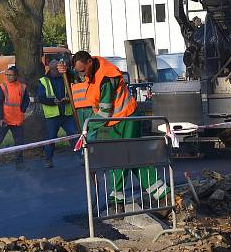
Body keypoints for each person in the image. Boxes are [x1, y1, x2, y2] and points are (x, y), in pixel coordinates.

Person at [67, 51, 166, 202]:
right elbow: (77, 77)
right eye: (78, 71)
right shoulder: (91, 71)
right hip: (116, 120)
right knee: (131, 156)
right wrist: (65, 71)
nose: (81, 74)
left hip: (127, 117)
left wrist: (89, 128)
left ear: (90, 62)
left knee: (121, 156)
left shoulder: (106, 77)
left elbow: (105, 111)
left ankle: (117, 196)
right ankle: (159, 191)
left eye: (82, 70)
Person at [0, 65, 29, 172]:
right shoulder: (2, 86)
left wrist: (22, 110)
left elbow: (26, 100)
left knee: (19, 143)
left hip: (17, 120)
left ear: (16, 76)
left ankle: (19, 164)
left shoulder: (22, 87)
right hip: (4, 120)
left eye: (10, 75)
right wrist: (0, 118)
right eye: (7, 75)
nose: (8, 77)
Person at [37, 59, 77, 167]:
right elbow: (41, 97)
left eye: (59, 69)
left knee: (74, 135)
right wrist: (52, 101)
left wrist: (68, 99)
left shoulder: (66, 77)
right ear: (51, 69)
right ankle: (48, 159)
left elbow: (73, 90)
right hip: (53, 115)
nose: (58, 71)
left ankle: (82, 155)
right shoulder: (43, 80)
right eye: (55, 69)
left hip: (67, 113)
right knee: (50, 138)